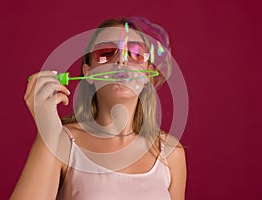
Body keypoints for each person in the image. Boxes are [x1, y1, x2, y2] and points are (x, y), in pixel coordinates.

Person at [11, 17, 186, 200]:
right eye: (106, 52)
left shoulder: (170, 152)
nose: (121, 62)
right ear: (89, 74)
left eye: (135, 53)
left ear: (147, 75)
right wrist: (47, 131)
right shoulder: (63, 140)